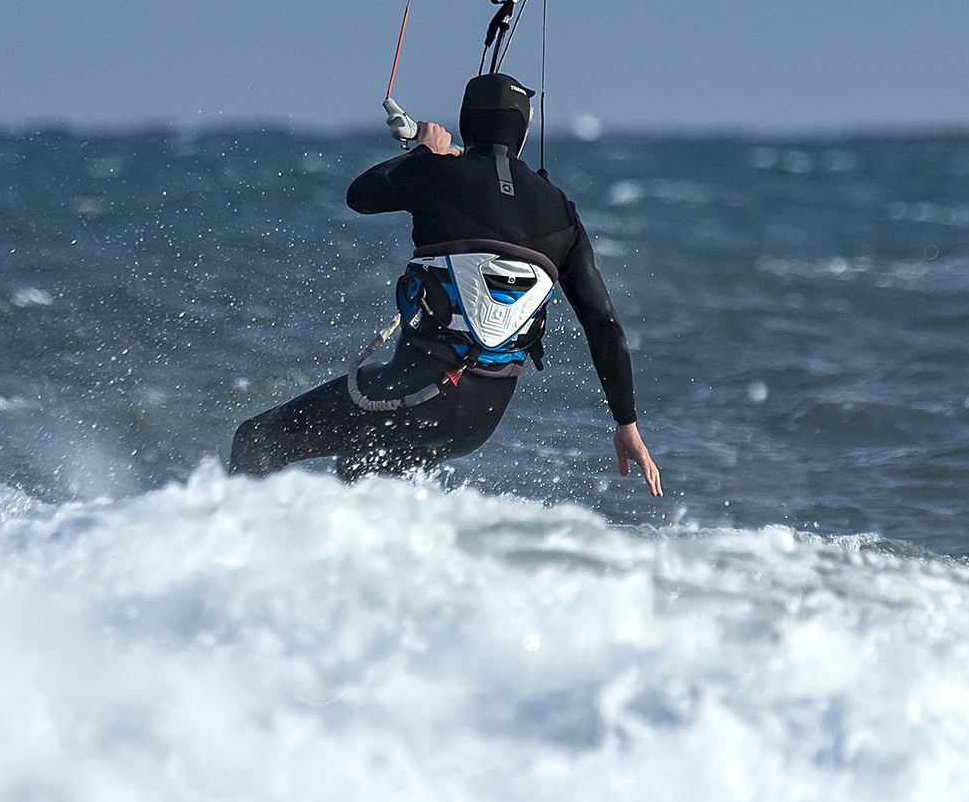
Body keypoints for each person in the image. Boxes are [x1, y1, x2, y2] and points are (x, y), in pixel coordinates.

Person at [229, 72, 661, 494]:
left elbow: (361, 195)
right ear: (523, 133)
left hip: (416, 393)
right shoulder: (562, 212)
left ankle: (221, 553)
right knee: (358, 481)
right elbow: (603, 324)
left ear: (466, 124)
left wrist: (424, 154)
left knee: (256, 439)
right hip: (479, 419)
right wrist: (627, 424)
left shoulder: (438, 175)